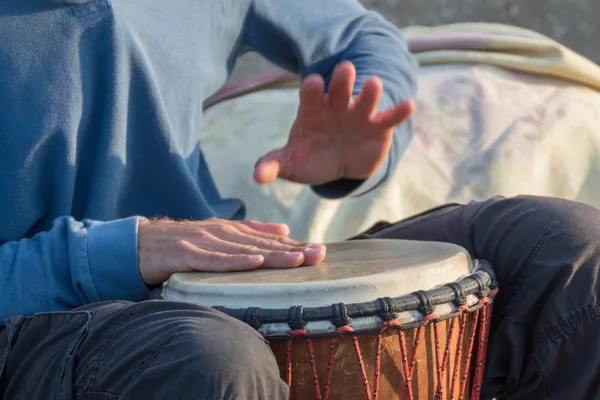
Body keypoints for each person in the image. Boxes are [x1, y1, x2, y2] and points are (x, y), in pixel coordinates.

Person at [0, 1, 598, 399]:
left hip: (228, 273)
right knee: (212, 359)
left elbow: (362, 35)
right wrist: (114, 251)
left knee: (566, 250)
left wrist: (361, 121)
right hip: (36, 322)